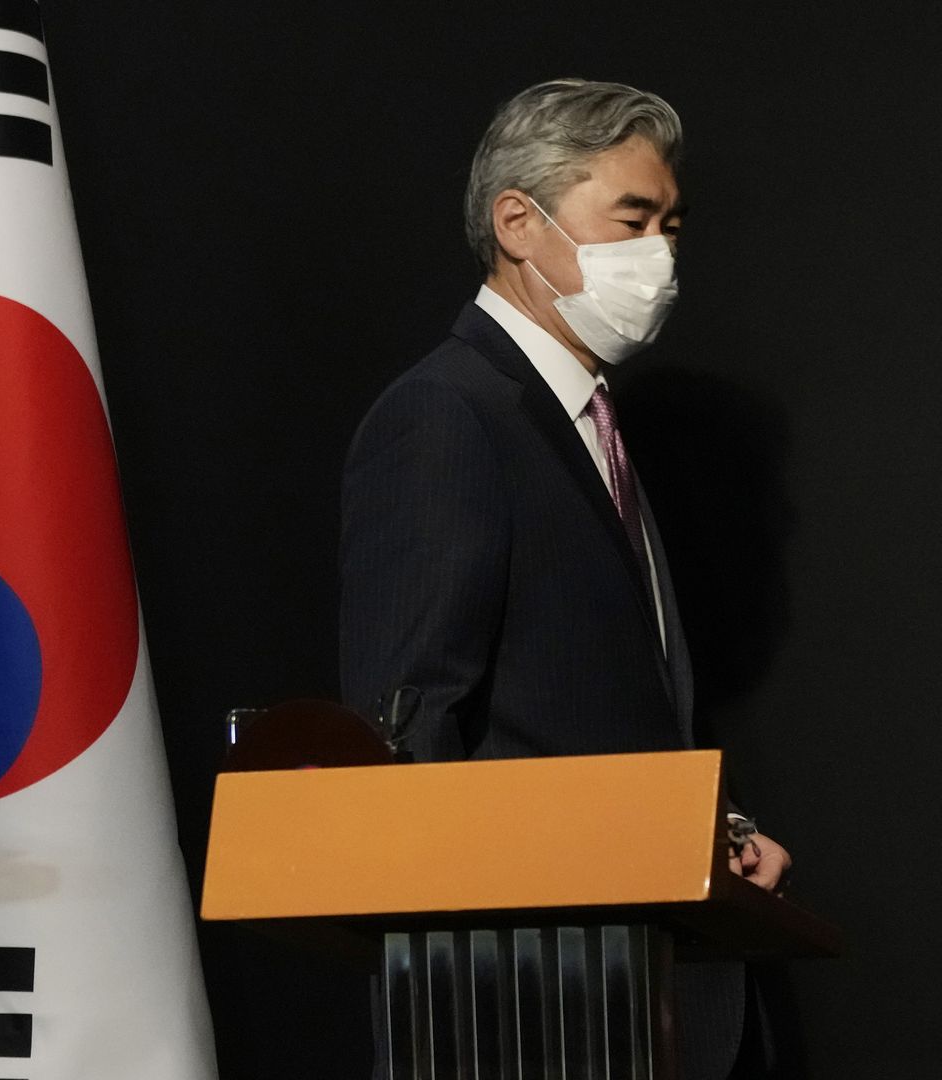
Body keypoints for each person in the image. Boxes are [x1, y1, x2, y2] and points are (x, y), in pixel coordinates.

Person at [338, 79, 791, 1078]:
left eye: (671, 224)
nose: (660, 254)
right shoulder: (448, 419)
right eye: (632, 218)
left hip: (644, 983)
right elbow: (407, 730)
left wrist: (711, 833)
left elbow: (586, 710)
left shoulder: (590, 425)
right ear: (518, 222)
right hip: (523, 1007)